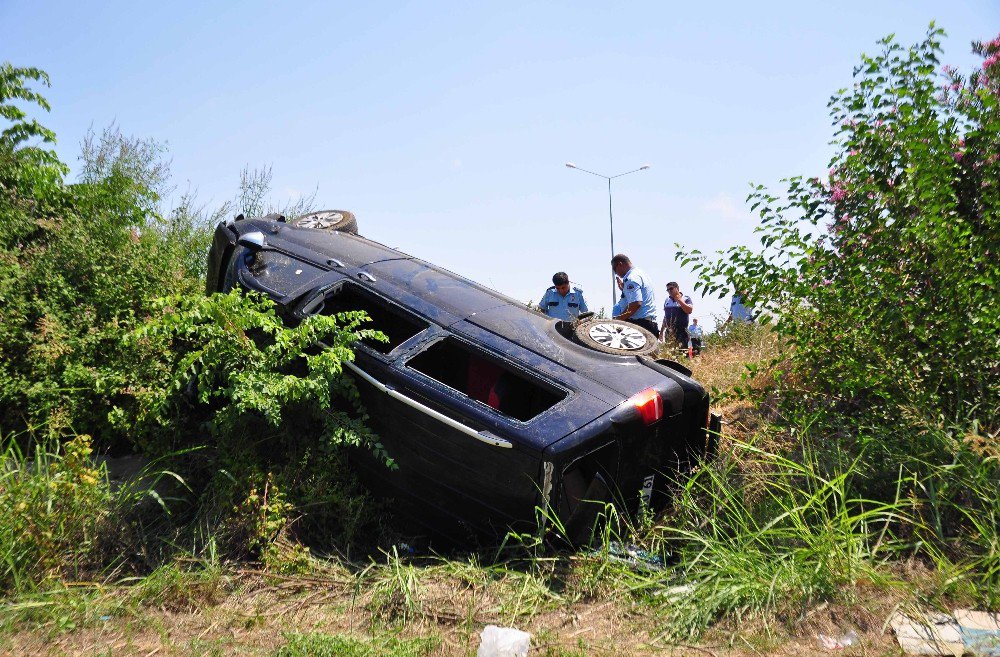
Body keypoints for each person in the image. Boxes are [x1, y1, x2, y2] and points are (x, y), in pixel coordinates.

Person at [610, 254, 658, 335]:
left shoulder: (631, 278)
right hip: (649, 323)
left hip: (640, 325)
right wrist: (625, 291)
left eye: (615, 270)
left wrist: (617, 320)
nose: (616, 274)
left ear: (620, 264)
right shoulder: (640, 273)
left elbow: (636, 304)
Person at [660, 281, 694, 348]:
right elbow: (665, 318)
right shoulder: (667, 300)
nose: (669, 291)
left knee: (682, 353)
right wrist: (661, 332)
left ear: (677, 288)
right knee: (670, 355)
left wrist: (679, 300)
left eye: (671, 288)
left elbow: (689, 310)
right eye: (668, 290)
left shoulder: (686, 298)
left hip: (681, 331)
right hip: (669, 332)